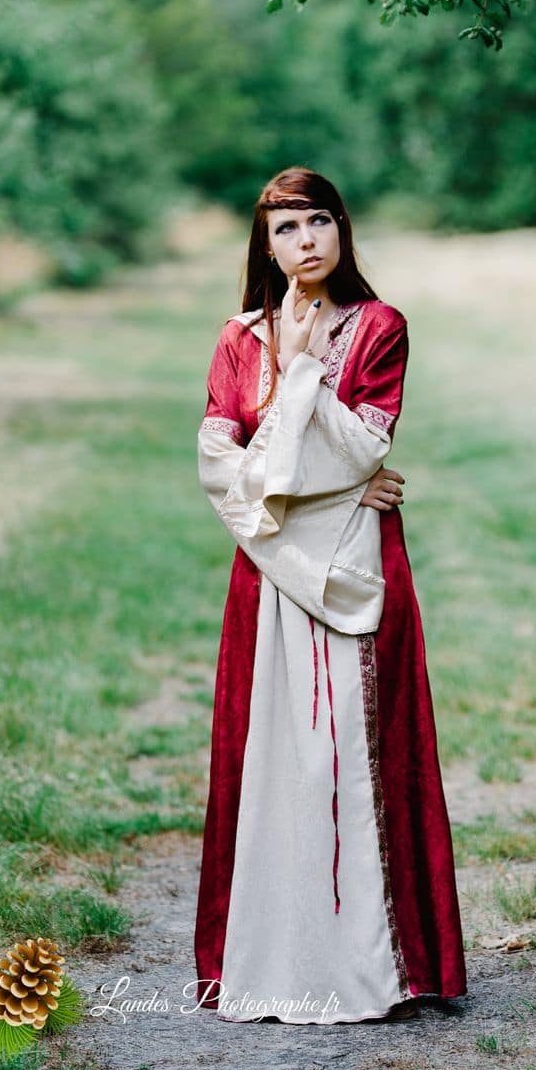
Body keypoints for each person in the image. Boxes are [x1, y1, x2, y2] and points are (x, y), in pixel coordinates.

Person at [193, 166, 467, 1025]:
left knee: (351, 754)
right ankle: (271, 957)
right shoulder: (240, 338)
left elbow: (356, 449)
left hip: (351, 566)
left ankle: (371, 966)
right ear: (264, 245)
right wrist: (321, 449)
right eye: (284, 228)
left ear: (341, 228)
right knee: (273, 753)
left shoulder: (380, 327)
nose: (304, 239)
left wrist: (312, 396)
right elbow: (220, 469)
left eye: (317, 221)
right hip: (270, 572)